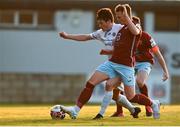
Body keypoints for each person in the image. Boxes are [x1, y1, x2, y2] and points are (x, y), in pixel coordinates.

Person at [60, 4, 160, 119]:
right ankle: (75, 110)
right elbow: (112, 46)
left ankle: (153, 104)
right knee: (91, 83)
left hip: (126, 67)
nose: (117, 19)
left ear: (126, 15)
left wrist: (127, 17)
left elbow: (136, 32)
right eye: (117, 17)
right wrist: (68, 36)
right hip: (112, 63)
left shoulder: (133, 26)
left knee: (131, 96)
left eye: (119, 16)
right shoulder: (121, 29)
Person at [94, 30, 169, 119]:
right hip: (130, 64)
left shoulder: (146, 37)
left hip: (145, 62)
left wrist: (165, 71)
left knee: (139, 82)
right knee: (111, 85)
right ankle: (122, 111)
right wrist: (108, 52)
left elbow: (158, 54)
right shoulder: (126, 36)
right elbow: (119, 51)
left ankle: (149, 105)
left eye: (136, 26)